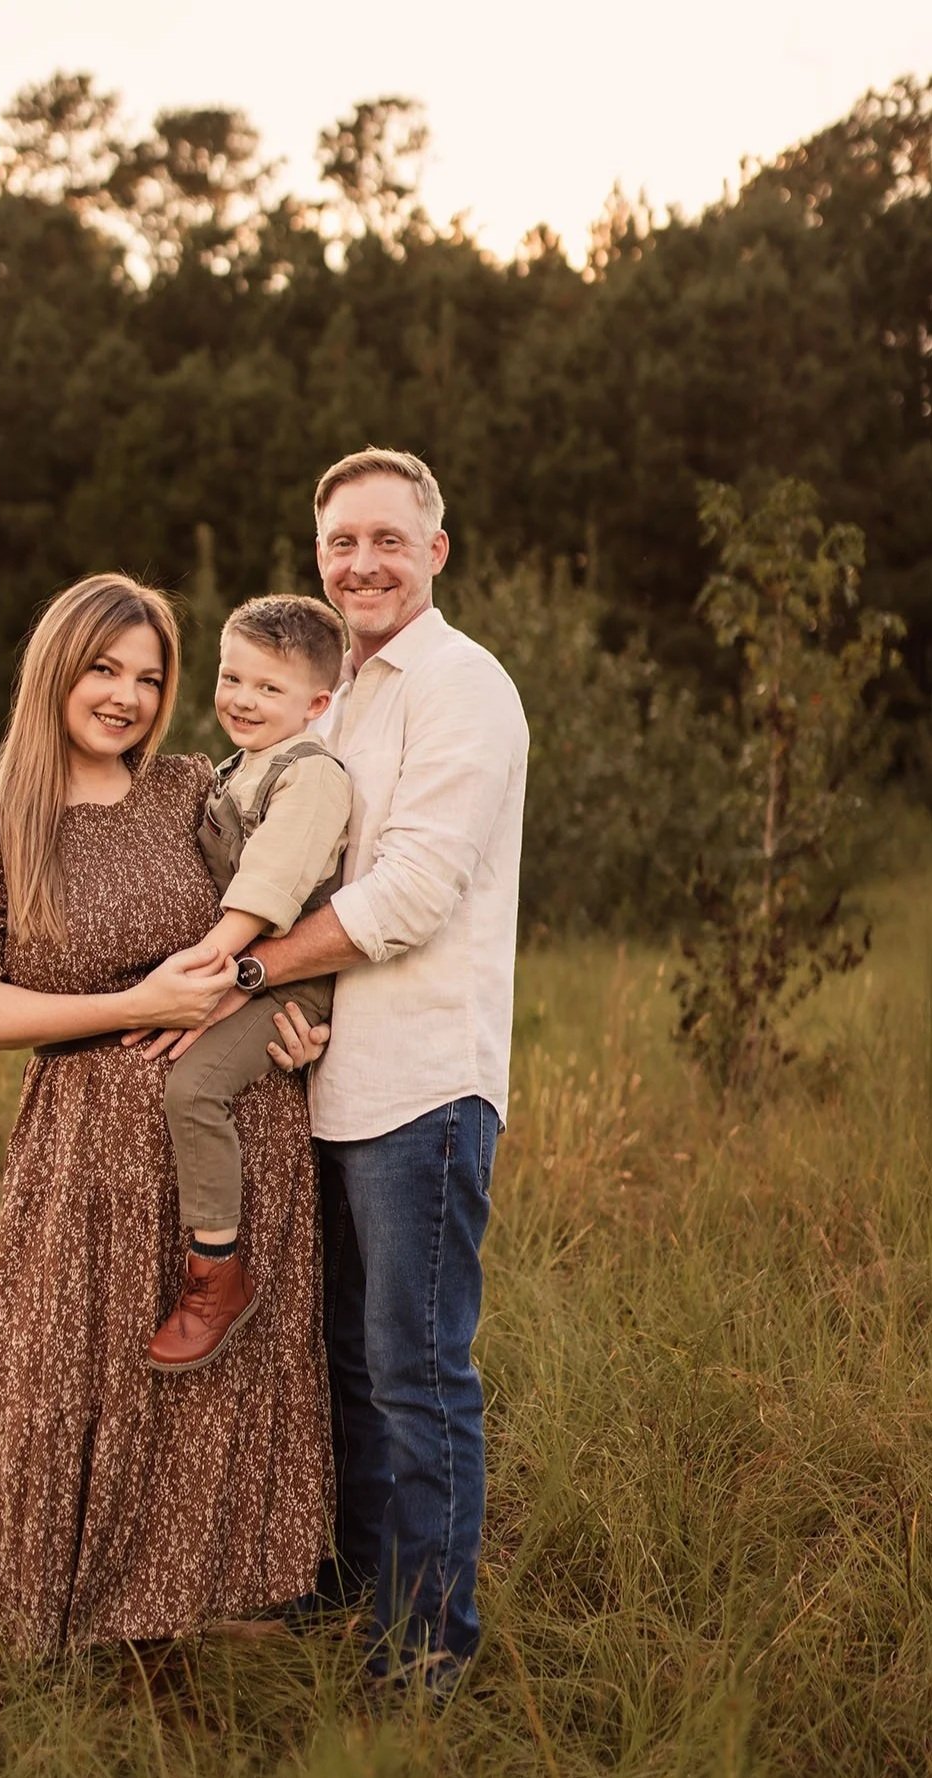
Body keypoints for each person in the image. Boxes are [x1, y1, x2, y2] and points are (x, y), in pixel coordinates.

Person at [0, 573, 332, 1658]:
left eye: (149, 676)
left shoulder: (192, 789)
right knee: (57, 1379)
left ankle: (179, 1626)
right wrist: (135, 1002)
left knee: (210, 1390)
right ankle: (16, 1629)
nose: (128, 696)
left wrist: (297, 1016)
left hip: (236, 1135)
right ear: (56, 665)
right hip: (85, 1143)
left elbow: (301, 895)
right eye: (104, 667)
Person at [168, 450, 528, 1691]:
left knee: (417, 1375)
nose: (359, 562)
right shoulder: (344, 695)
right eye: (338, 543)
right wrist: (291, 1010)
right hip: (329, 1079)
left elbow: (411, 893)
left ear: (436, 549)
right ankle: (354, 1601)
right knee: (348, 1373)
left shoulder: (460, 686)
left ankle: (425, 1657)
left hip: (424, 1084)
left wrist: (250, 975)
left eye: (385, 538)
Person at [148, 594, 351, 1374]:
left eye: (269, 689)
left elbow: (269, 884)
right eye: (233, 678)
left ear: (317, 702)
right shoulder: (234, 769)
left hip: (285, 980)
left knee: (192, 1088)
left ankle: (217, 1274)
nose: (241, 699)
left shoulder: (312, 776)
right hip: (237, 964)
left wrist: (203, 974)